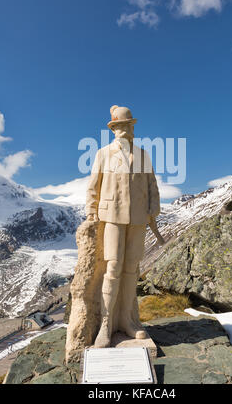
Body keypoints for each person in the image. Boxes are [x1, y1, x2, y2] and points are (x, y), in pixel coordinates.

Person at [85, 105, 160, 348]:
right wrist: (90, 211)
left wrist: (154, 207)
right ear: (112, 129)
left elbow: (152, 186)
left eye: (126, 125)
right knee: (113, 267)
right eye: (117, 126)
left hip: (138, 218)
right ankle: (106, 324)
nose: (122, 130)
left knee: (131, 269)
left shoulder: (143, 155)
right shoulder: (103, 154)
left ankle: (127, 320)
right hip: (112, 217)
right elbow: (93, 185)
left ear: (132, 127)